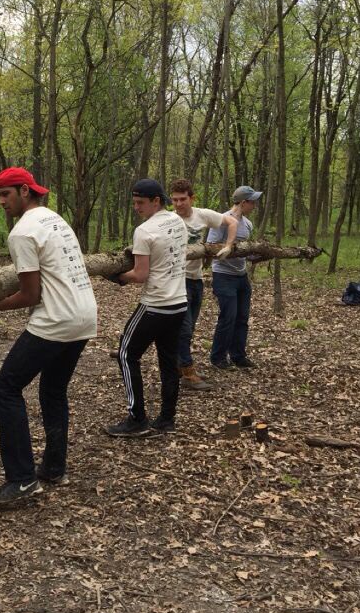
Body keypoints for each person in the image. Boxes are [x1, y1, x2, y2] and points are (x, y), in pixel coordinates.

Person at [0, 167, 97, 508]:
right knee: (53, 389)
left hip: (56, 320)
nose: (1, 202)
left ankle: (22, 479)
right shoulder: (55, 219)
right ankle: (54, 467)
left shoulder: (22, 232)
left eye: (6, 195)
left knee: (6, 388)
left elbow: (30, 294)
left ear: (26, 192)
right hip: (85, 315)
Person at [107, 179, 188, 439]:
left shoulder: (144, 231)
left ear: (156, 200)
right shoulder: (177, 221)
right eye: (134, 203)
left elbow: (140, 274)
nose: (136, 207)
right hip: (178, 304)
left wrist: (118, 276)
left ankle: (137, 418)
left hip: (155, 305)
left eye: (141, 203)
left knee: (125, 354)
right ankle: (166, 418)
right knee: (168, 361)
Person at [169, 178, 238, 391]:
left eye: (183, 199)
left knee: (188, 329)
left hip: (196, 279)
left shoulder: (202, 215)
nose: (179, 204)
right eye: (175, 200)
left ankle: (178, 366)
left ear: (192, 198)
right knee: (184, 328)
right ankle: (187, 372)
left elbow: (232, 222)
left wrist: (228, 245)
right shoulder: (168, 219)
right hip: (176, 281)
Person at [207, 185, 262, 370]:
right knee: (228, 317)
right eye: (252, 201)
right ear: (243, 202)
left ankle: (238, 356)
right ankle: (218, 357)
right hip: (223, 275)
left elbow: (245, 251)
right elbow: (211, 246)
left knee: (242, 318)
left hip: (241, 276)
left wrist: (254, 255)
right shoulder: (221, 220)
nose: (254, 205)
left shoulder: (247, 224)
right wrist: (232, 250)